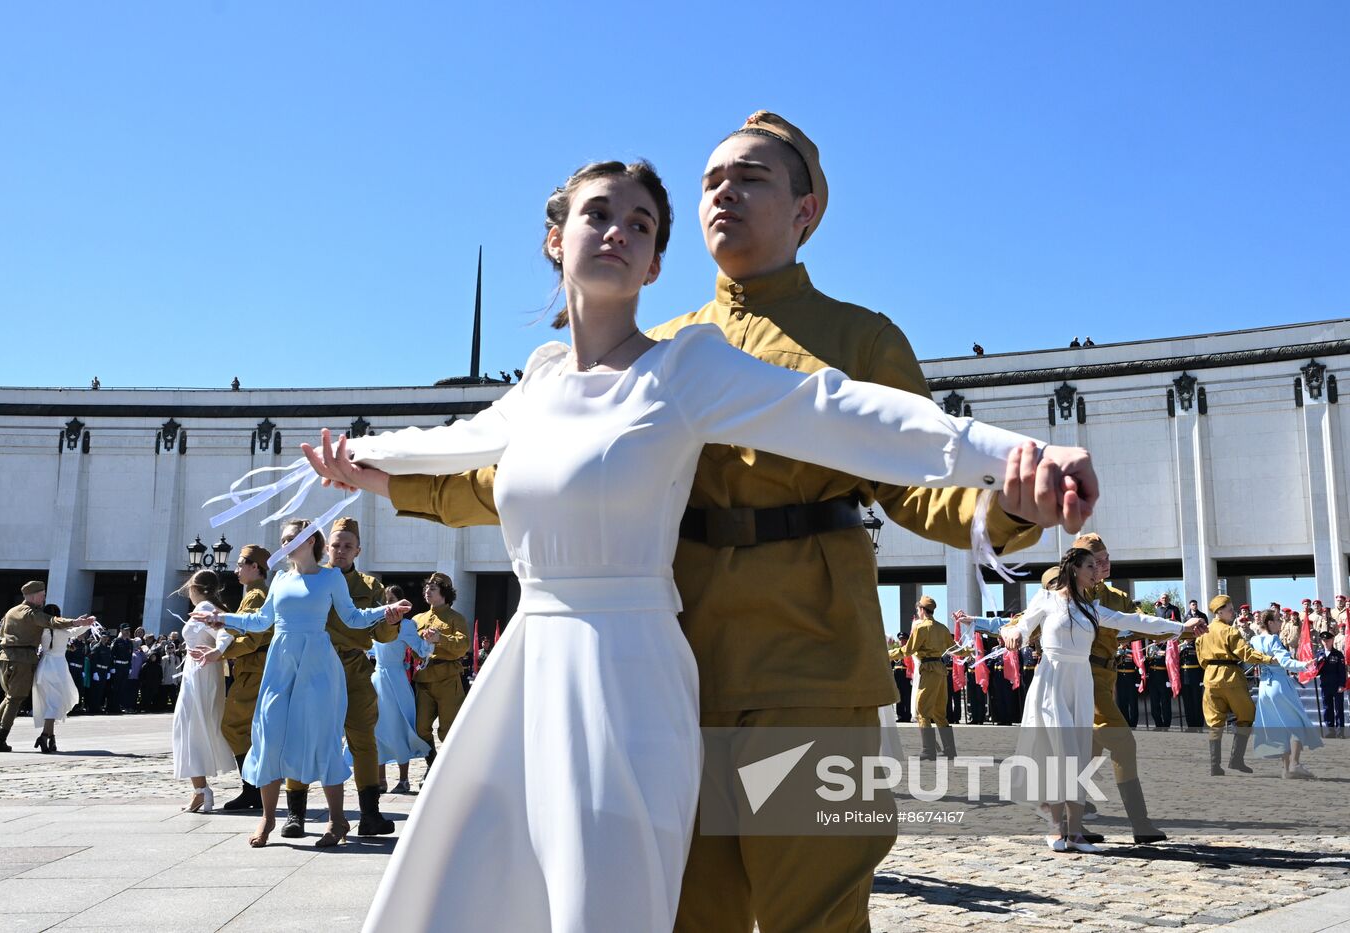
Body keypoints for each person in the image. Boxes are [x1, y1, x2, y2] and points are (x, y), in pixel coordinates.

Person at [303, 116, 1100, 933]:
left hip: (810, 668)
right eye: (712, 179)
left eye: (751, 177)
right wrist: (395, 484)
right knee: (679, 915)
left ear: (806, 210)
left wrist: (1011, 499)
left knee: (815, 914)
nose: (724, 191)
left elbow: (909, 475)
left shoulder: (858, 338)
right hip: (675, 677)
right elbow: (527, 478)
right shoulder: (658, 346)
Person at [189, 518, 408, 848]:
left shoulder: (332, 578)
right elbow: (261, 621)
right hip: (281, 665)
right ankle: (269, 817)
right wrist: (222, 619)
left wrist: (387, 611)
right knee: (270, 734)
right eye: (282, 539)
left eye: (290, 538)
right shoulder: (279, 579)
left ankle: (339, 819)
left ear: (309, 542)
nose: (284, 545)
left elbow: (353, 618)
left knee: (323, 738)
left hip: (320, 665)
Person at [999, 548, 1192, 853]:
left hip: (1081, 683)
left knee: (1076, 755)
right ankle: (1056, 828)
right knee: (1059, 753)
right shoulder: (1045, 599)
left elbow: (1135, 620)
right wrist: (1010, 632)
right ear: (1074, 569)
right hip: (1052, 681)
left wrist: (1180, 628)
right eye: (1090, 566)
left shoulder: (1093, 609)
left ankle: (1075, 834)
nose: (1097, 571)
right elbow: (1020, 626)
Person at [280, 518, 400, 840]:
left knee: (363, 738)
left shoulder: (370, 587)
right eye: (336, 545)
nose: (341, 551)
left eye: (348, 546)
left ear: (358, 550)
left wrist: (390, 621)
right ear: (325, 547)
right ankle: (295, 814)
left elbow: (382, 635)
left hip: (353, 668)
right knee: (302, 734)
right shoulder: (309, 577)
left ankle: (370, 814)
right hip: (313, 667)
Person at [1072, 532, 1182, 844]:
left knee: (1089, 751)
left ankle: (1070, 821)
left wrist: (1182, 631)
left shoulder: (1116, 597)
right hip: (1083, 676)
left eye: (1107, 558)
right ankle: (1140, 824)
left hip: (1106, 677)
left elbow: (1137, 625)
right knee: (1122, 743)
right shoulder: (1068, 593)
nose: (1105, 564)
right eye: (1097, 561)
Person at [0, 582, 95, 752]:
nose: (44, 599)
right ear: (34, 595)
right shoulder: (31, 613)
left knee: (9, 697)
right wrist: (76, 622)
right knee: (15, 699)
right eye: (42, 595)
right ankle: (0, 740)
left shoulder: (11, 611)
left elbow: (1, 633)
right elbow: (51, 621)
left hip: (5, 656)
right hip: (23, 659)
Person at [173, 570, 239, 812]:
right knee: (191, 727)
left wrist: (217, 651)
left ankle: (201, 790)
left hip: (201, 672)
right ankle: (200, 790)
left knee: (190, 727)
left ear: (194, 588)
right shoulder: (208, 607)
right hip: (200, 670)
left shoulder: (205, 608)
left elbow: (224, 632)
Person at [370, 583, 438, 794]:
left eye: (391, 600)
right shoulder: (374, 622)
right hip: (376, 679)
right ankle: (380, 779)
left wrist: (431, 641)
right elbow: (365, 648)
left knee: (399, 727)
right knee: (376, 728)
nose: (387, 605)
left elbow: (421, 650)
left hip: (396, 680)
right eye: (384, 600)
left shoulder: (407, 626)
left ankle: (403, 779)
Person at [1197, 594, 1276, 776]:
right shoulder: (1230, 631)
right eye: (1230, 610)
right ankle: (1236, 760)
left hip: (1210, 677)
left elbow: (1201, 660)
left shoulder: (1202, 633)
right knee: (1247, 714)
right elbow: (1245, 653)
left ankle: (1215, 765)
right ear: (1219, 612)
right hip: (1231, 676)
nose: (1233, 613)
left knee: (1214, 721)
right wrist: (1268, 659)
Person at [219, 544, 272, 812]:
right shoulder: (253, 593)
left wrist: (219, 652)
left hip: (254, 669)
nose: (236, 570)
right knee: (248, 729)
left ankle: (252, 789)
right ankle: (254, 789)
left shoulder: (256, 596)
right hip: (252, 668)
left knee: (234, 725)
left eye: (240, 564)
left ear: (255, 567)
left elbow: (251, 639)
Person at [1248, 609, 1321, 778]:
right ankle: (1294, 764)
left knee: (1281, 727)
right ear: (1270, 623)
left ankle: (1286, 769)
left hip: (1264, 686)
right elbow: (1285, 661)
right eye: (1278, 620)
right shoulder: (1273, 639)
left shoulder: (1254, 640)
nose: (1281, 622)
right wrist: (1304, 665)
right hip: (1279, 684)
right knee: (1298, 723)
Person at [412, 573, 471, 773]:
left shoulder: (456, 618)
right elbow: (411, 649)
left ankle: (452, 769)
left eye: (433, 588)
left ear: (444, 592)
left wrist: (441, 639)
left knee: (449, 729)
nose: (427, 591)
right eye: (426, 588)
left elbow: (463, 646)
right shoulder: (417, 619)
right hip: (424, 678)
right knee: (420, 728)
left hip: (448, 678)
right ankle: (432, 764)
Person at [891, 596, 962, 759]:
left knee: (922, 710)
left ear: (922, 610)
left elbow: (907, 651)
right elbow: (955, 649)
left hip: (928, 670)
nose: (918, 612)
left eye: (918, 609)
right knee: (939, 712)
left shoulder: (921, 627)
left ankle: (928, 750)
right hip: (940, 670)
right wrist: (968, 652)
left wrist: (886, 654)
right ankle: (949, 749)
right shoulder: (942, 628)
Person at [30, 610, 97, 752]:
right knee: (54, 704)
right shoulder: (63, 631)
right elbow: (77, 631)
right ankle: (44, 736)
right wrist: (88, 623)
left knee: (50, 703)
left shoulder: (41, 631)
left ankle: (51, 738)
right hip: (58, 667)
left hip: (43, 667)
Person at [1318, 630, 1346, 739]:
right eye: (1324, 640)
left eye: (1328, 640)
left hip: (1336, 685)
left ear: (1332, 640)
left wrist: (1342, 685)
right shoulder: (1320, 654)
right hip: (1325, 685)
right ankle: (1330, 730)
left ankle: (1340, 732)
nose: (1326, 642)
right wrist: (1317, 665)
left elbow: (1342, 671)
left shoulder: (1338, 654)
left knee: (1339, 708)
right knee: (1327, 708)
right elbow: (1316, 670)